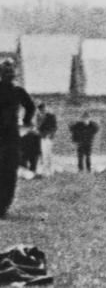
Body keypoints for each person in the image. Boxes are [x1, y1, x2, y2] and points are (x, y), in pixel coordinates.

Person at [0, 59, 36, 218]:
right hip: (11, 136)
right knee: (9, 172)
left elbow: (30, 107)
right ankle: (3, 207)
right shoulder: (18, 91)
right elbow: (31, 107)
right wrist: (26, 121)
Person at [36, 103, 56, 176]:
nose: (43, 111)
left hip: (49, 137)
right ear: (40, 110)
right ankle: (45, 172)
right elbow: (38, 128)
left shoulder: (51, 116)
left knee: (49, 154)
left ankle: (50, 170)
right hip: (42, 137)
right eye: (41, 110)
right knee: (43, 155)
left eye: (44, 109)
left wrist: (51, 135)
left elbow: (54, 127)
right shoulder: (38, 117)